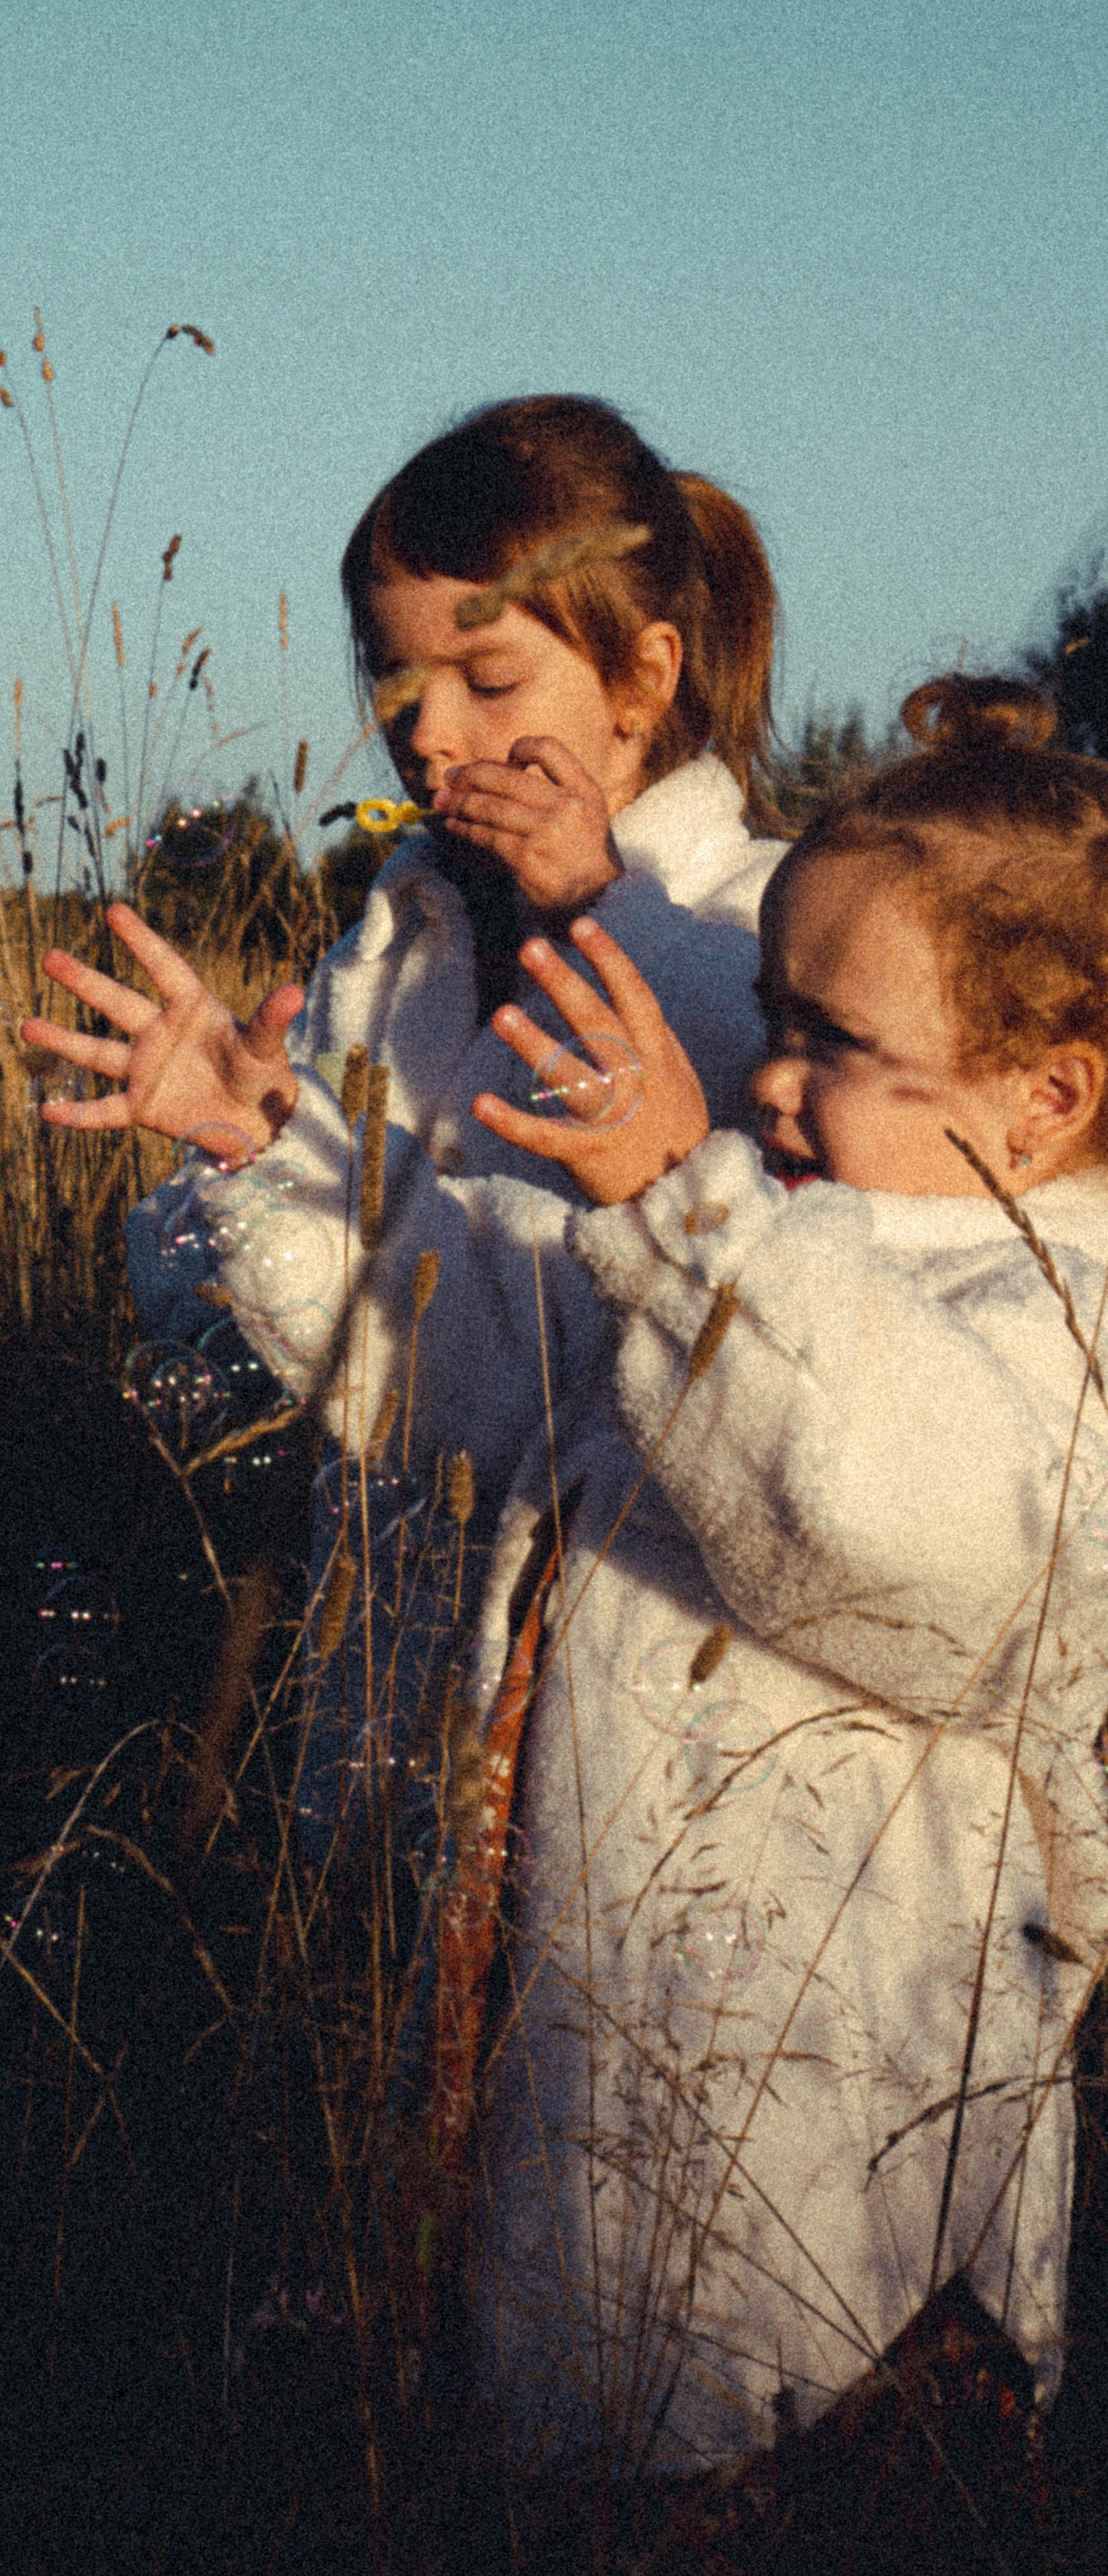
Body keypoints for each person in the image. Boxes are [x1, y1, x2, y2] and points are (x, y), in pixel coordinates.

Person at [458, 673, 1108, 2477]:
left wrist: (685, 1212)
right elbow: (476, 1411)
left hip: (852, 2220)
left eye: (835, 1043)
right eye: (768, 1017)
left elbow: (884, 1515)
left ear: (1049, 1095)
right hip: (609, 2082)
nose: (766, 1080)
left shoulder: (1064, 1331)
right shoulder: (771, 1251)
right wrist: (260, 1148)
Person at [26, 396, 790, 1849]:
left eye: (486, 678)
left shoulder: (762, 922)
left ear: (641, 679)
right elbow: (225, 1325)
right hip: (380, 1704)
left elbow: (748, 1239)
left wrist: (592, 910)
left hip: (638, 1722)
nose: (427, 731)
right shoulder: (396, 946)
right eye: (394, 681)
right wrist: (231, 1146)